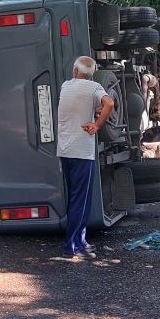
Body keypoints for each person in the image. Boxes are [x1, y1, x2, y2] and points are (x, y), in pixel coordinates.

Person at [56, 56, 115, 258]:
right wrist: (97, 125)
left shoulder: (66, 86)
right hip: (82, 151)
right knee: (81, 199)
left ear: (74, 71)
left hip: (65, 150)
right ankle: (71, 245)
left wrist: (94, 110)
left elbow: (79, 105)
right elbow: (109, 104)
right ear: (91, 75)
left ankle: (80, 240)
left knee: (74, 196)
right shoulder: (94, 87)